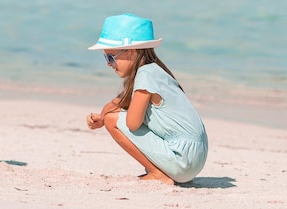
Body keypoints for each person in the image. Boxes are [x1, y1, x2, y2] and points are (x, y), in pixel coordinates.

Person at [85, 13, 207, 185]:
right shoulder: (156, 72)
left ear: (132, 51)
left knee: (114, 120)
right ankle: (162, 171)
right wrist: (101, 117)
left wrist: (107, 119)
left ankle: (157, 174)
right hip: (195, 157)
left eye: (111, 57)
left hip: (182, 159)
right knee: (112, 115)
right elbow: (118, 102)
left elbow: (132, 123)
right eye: (106, 58)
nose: (108, 63)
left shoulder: (145, 76)